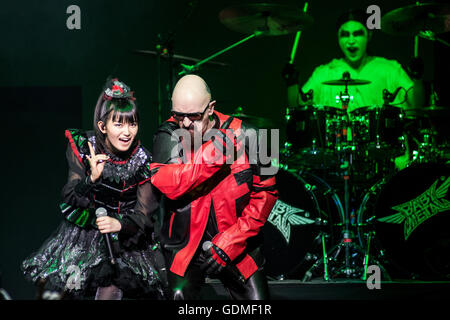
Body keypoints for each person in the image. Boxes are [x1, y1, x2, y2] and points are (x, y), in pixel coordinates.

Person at [22, 78, 167, 300]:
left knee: (111, 289)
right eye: (118, 124)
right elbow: (70, 196)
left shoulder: (144, 160)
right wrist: (91, 179)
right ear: (103, 126)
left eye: (132, 124)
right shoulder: (84, 147)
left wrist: (119, 223)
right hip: (86, 235)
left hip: (126, 239)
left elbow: (145, 214)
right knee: (70, 292)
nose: (127, 132)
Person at [150, 74, 278, 300]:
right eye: (179, 115)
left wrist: (234, 240)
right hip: (184, 248)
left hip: (238, 245)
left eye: (194, 115)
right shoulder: (167, 131)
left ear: (211, 108)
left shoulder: (254, 134)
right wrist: (215, 156)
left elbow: (267, 193)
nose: (186, 123)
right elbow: (166, 182)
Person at [284, 9, 425, 112]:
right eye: (345, 35)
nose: (351, 41)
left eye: (357, 34)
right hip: (337, 149)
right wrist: (291, 84)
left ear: (369, 35)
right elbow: (297, 109)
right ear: (338, 38)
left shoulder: (390, 69)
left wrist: (417, 79)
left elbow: (417, 105)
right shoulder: (324, 73)